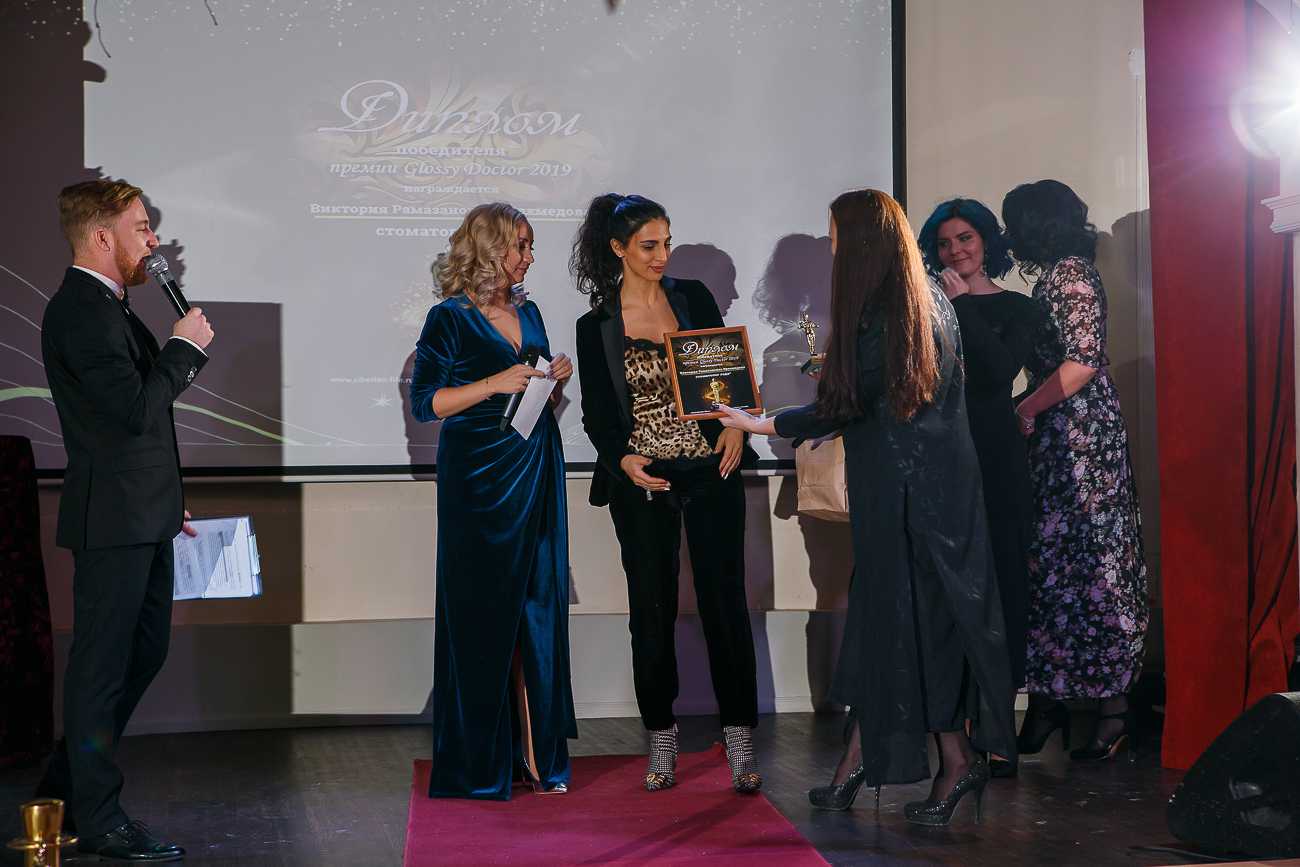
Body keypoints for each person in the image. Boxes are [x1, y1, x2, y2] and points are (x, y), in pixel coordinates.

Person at [717, 189, 1016, 826]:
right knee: (887, 627)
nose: (832, 251)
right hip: (922, 495)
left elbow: (846, 404)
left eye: (835, 239)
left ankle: (955, 761)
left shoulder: (891, 311)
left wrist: (761, 423)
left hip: (911, 501)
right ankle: (861, 759)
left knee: (914, 630)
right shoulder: (924, 300)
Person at [37, 178, 213, 862]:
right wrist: (182, 349)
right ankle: (99, 816)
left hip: (141, 512)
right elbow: (134, 412)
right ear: (102, 236)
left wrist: (164, 495)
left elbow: (131, 427)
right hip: (111, 521)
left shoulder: (109, 305)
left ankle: (64, 788)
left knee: (140, 653)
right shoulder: (81, 311)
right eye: (142, 227)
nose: (154, 240)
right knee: (102, 667)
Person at [571, 193, 762, 794]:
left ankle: (740, 739)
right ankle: (661, 738)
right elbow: (598, 416)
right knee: (650, 611)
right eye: (649, 245)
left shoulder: (693, 298)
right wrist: (621, 459)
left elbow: (726, 378)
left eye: (667, 243)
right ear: (618, 248)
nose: (662, 255)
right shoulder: (597, 324)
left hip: (710, 469)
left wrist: (736, 425)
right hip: (645, 479)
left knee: (724, 603)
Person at [409, 202, 576, 799]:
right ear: (490, 248)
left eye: (530, 245)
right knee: (483, 610)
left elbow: (533, 398)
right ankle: (483, 758)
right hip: (478, 477)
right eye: (521, 245)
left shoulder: (530, 311)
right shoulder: (448, 317)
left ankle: (538, 751)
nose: (530, 256)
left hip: (534, 462)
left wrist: (554, 381)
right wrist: (494, 383)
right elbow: (425, 403)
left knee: (538, 602)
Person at [1002, 179, 1148, 762]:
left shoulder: (1070, 276)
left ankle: (1112, 711)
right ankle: (1051, 703)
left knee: (1092, 561)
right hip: (1064, 435)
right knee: (1056, 565)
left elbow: (1083, 361)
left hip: (1081, 438)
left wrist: (1026, 407)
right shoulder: (1060, 275)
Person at [917, 198, 1045, 776]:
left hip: (996, 462)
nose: (955, 252)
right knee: (953, 594)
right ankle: (958, 730)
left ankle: (999, 728)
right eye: (944, 244)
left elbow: (998, 374)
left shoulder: (1017, 307)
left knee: (1004, 588)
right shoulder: (925, 309)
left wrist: (964, 305)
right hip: (942, 460)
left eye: (965, 239)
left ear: (987, 242)